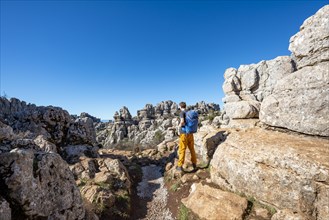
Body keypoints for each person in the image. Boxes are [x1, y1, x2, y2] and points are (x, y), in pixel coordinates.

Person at [177, 102, 197, 172]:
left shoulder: (182, 113)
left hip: (184, 134)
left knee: (182, 149)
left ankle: (179, 166)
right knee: (192, 149)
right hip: (190, 133)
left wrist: (178, 127)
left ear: (180, 106)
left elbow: (182, 121)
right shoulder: (189, 112)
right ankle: (194, 164)